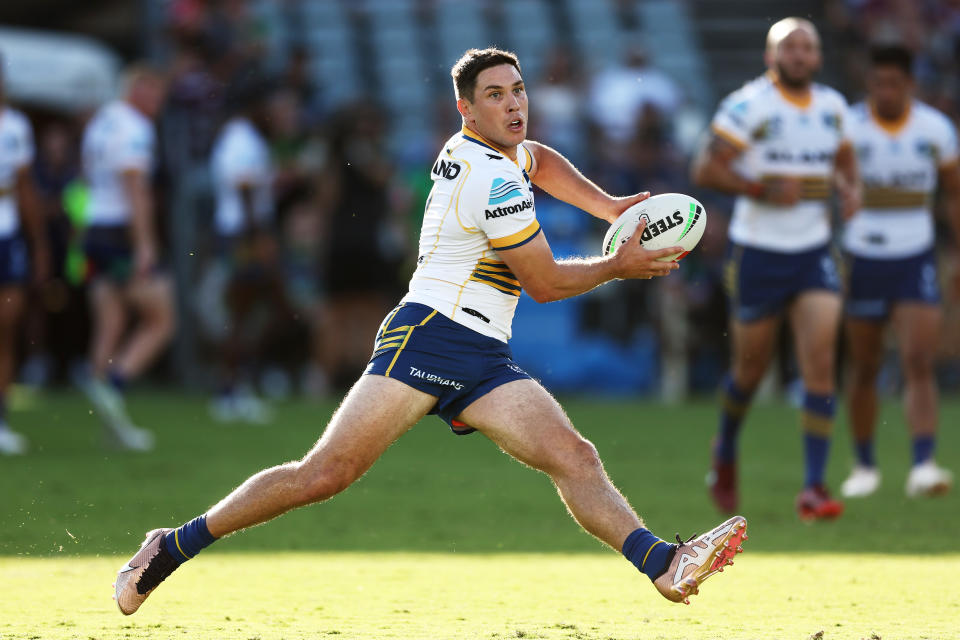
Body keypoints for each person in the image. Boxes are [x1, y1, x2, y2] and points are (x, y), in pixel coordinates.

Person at [114, 48, 747, 616]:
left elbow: (542, 161)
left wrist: (609, 208)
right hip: (430, 335)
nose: (513, 103)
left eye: (518, 90)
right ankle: (169, 546)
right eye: (494, 96)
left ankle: (662, 563)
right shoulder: (490, 177)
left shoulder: (501, 153)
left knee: (574, 456)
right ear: (466, 110)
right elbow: (545, 283)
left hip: (481, 352)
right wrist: (619, 264)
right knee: (324, 475)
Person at [691, 18, 861, 520]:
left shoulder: (833, 108)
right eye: (791, 47)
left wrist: (849, 189)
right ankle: (724, 450)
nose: (801, 55)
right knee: (751, 368)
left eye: (809, 47)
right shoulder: (749, 106)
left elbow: (845, 161)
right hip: (758, 251)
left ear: (819, 57)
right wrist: (762, 189)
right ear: (772, 57)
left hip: (813, 251)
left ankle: (813, 487)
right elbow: (706, 167)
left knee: (821, 364)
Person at [840, 45, 957, 499]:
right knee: (865, 364)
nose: (885, 91)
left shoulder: (935, 130)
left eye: (894, 83)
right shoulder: (848, 126)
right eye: (877, 83)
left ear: (910, 83)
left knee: (919, 360)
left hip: (916, 256)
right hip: (863, 256)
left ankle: (924, 463)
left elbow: (954, 193)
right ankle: (864, 466)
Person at [79, 65, 175, 451]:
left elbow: (88, 177)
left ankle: (110, 423)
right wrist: (145, 245)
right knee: (162, 320)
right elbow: (135, 187)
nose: (158, 103)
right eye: (153, 94)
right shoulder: (135, 127)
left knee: (111, 322)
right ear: (136, 90)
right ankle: (114, 387)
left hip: (93, 228)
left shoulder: (100, 122)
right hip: (121, 232)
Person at [203, 85, 284, 423]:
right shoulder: (242, 140)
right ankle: (231, 391)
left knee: (247, 314)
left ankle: (234, 388)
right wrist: (259, 237)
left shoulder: (239, 138)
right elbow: (245, 188)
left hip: (239, 234)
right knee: (243, 314)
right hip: (242, 236)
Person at [0, 59, 49, 455]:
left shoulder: (14, 126)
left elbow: (25, 187)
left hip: (7, 235)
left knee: (6, 329)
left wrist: (40, 246)